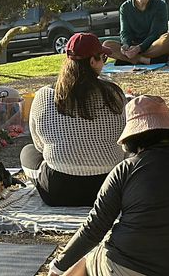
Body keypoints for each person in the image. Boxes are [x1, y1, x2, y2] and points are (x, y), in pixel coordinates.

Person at [16, 96, 169, 276]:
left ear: (132, 136)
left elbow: (94, 228)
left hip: (119, 274)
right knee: (121, 269)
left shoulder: (126, 169)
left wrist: (58, 265)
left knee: (95, 254)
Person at [20, 33, 126, 207]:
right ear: (92, 61)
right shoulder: (114, 94)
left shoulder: (45, 96)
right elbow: (123, 138)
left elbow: (39, 145)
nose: (104, 63)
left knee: (28, 151)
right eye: (103, 57)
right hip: (108, 188)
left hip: (58, 191)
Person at [103, 0, 169, 65]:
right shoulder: (125, 7)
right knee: (107, 45)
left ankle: (132, 59)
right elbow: (125, 32)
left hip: (153, 46)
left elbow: (156, 33)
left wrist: (139, 48)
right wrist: (126, 46)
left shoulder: (160, 6)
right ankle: (145, 60)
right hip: (132, 46)